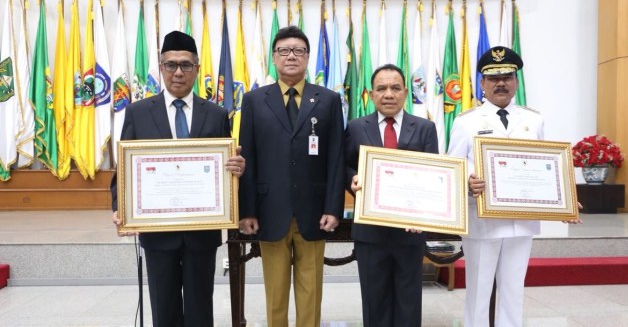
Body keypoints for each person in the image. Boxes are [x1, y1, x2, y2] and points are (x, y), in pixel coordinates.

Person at [110, 30, 244, 327]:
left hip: (202, 232)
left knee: (200, 309)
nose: (178, 72)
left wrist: (237, 167)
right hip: (157, 233)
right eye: (171, 65)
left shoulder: (217, 114)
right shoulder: (138, 112)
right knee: (164, 307)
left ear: (197, 69)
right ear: (161, 68)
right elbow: (124, 170)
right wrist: (121, 207)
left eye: (186, 65)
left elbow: (226, 168)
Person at [238, 25, 345, 327]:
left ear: (308, 57)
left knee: (311, 294)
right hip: (270, 211)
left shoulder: (327, 99)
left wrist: (333, 208)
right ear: (274, 57)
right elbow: (248, 157)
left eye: (299, 50)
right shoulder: (255, 100)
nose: (291, 56)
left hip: (314, 213)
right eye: (284, 50)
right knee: (275, 294)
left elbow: (336, 158)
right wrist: (247, 210)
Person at [447, 46, 542, 327]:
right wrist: (466, 183)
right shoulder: (466, 122)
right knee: (478, 291)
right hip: (482, 221)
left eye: (507, 76)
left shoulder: (534, 120)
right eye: (493, 78)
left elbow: (544, 165)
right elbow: (454, 167)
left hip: (521, 221)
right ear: (482, 83)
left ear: (516, 81)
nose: (501, 82)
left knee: (514, 291)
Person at [345, 64, 438, 327]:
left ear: (405, 92)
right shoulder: (355, 127)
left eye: (395, 88)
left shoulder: (425, 128)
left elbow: (434, 175)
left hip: (411, 231)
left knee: (408, 301)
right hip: (370, 232)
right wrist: (351, 179)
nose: (388, 94)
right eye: (381, 88)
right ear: (371, 94)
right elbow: (345, 165)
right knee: (375, 302)